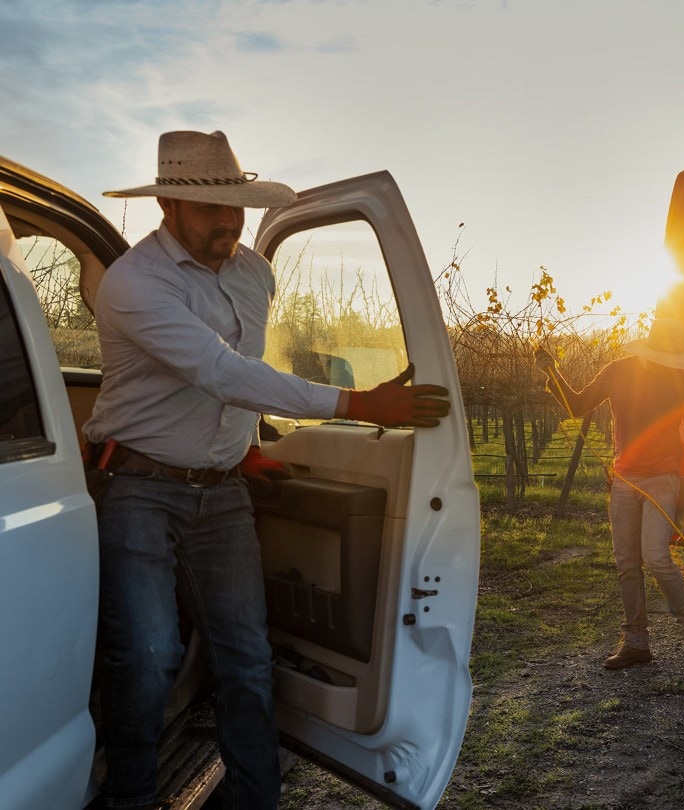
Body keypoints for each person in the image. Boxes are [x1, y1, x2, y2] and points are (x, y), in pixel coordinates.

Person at [85, 130, 451, 809]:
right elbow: (222, 371)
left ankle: (254, 801)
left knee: (248, 660)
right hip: (139, 486)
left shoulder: (255, 272)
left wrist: (244, 447)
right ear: (168, 203)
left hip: (221, 492)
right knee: (149, 658)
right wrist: (359, 401)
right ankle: (130, 797)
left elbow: (235, 383)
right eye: (210, 210)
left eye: (239, 208)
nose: (229, 222)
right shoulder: (135, 283)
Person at [535, 318, 684, 670]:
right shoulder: (618, 371)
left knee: (656, 557)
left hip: (662, 478)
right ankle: (636, 643)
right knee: (626, 563)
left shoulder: (679, 382)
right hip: (624, 479)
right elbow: (577, 406)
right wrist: (553, 373)